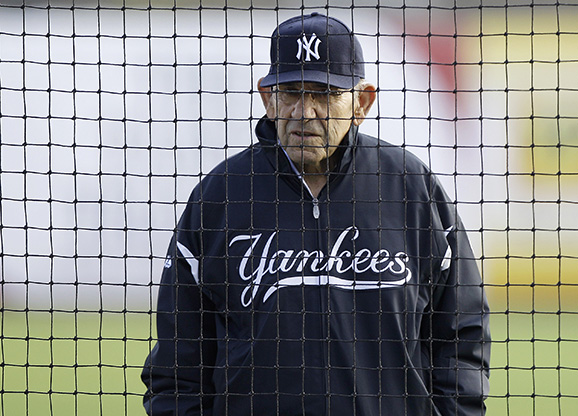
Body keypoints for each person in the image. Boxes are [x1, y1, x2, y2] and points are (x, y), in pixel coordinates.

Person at [141, 12, 490, 416]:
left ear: (362, 101)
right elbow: (178, 364)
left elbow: (461, 337)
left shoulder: (412, 189)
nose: (304, 112)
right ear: (267, 98)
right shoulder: (219, 197)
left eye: (324, 94)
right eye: (290, 91)